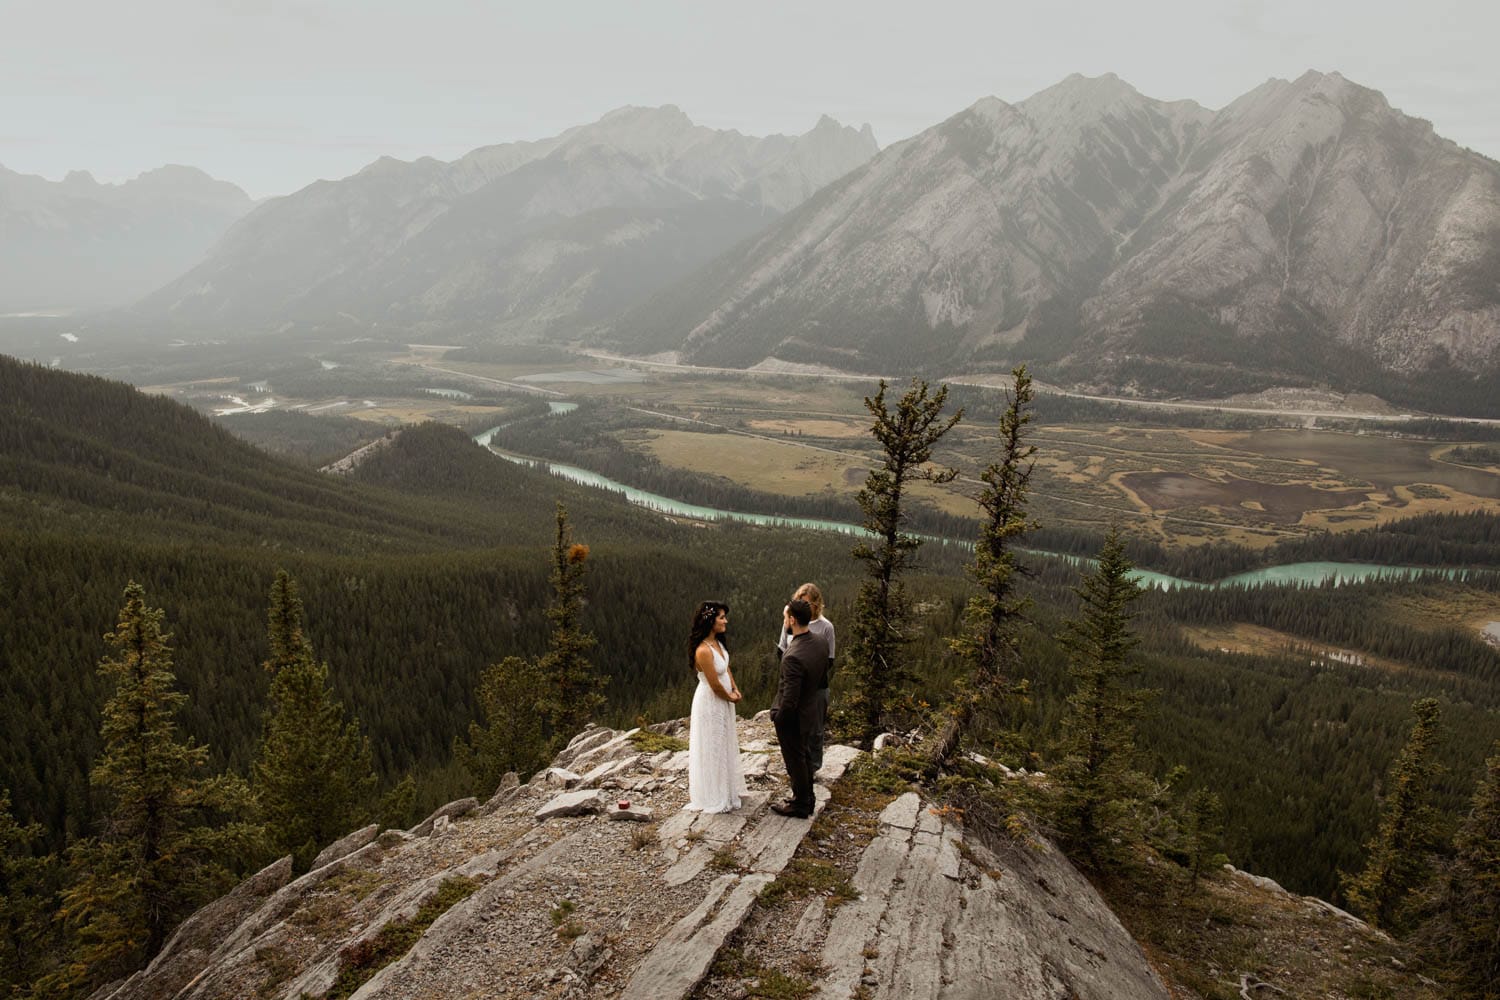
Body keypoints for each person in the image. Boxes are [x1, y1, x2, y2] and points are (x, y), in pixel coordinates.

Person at [770, 598, 829, 818]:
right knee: (804, 755)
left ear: (792, 620)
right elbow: (822, 677)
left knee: (795, 760)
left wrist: (777, 717)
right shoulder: (821, 641)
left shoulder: (792, 656)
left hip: (793, 717)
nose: (784, 620)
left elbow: (790, 699)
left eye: (785, 617)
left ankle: (801, 804)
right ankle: (807, 797)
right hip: (810, 710)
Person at [685, 600, 746, 814]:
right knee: (713, 745)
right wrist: (730, 697)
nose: (725, 621)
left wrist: (735, 689)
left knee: (724, 741)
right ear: (711, 621)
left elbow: (726, 670)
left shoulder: (718, 644)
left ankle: (727, 790)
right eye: (721, 617)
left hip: (724, 700)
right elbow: (714, 684)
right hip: (711, 702)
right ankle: (714, 794)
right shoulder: (703, 650)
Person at [776, 582, 835, 772]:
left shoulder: (826, 627)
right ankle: (799, 767)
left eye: (807, 603)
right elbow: (782, 651)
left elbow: (829, 660)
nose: (802, 607)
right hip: (794, 685)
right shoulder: (790, 622)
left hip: (816, 687)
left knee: (815, 731)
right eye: (799, 602)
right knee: (796, 731)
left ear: (816, 605)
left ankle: (813, 767)